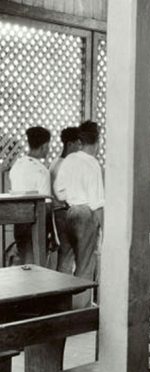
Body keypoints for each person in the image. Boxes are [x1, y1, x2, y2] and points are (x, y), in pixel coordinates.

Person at [54, 120, 104, 306]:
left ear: (80, 141)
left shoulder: (69, 160)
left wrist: (71, 199)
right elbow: (97, 202)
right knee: (85, 264)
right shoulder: (93, 164)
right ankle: (80, 309)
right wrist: (104, 228)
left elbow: (59, 190)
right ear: (97, 142)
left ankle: (61, 305)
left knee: (65, 261)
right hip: (86, 214)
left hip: (69, 212)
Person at [9, 126, 52, 265]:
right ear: (44, 146)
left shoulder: (17, 166)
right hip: (35, 224)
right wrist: (51, 233)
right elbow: (46, 206)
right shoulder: (42, 171)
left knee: (25, 262)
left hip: (18, 222)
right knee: (37, 265)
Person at [49, 126, 80, 273]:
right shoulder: (66, 165)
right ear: (70, 144)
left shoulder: (55, 162)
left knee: (65, 254)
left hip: (57, 212)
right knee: (67, 256)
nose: (79, 147)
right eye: (77, 143)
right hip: (64, 211)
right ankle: (63, 294)